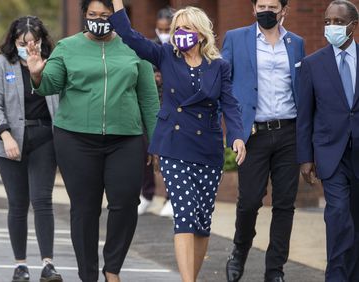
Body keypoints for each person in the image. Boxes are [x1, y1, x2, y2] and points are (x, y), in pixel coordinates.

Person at [109, 2, 246, 281]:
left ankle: (191, 277)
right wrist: (117, 4)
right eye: (177, 28)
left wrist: (237, 138)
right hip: (174, 145)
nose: (180, 32)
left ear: (201, 32)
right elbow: (129, 35)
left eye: (186, 28)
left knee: (201, 222)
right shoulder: (165, 56)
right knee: (183, 215)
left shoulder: (219, 66)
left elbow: (230, 105)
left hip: (207, 149)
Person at [27, 0, 160, 280]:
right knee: (85, 210)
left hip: (126, 138)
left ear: (117, 17)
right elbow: (51, 84)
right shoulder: (67, 47)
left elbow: (148, 98)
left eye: (105, 15)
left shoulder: (135, 47)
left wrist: (156, 141)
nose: (98, 19)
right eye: (93, 14)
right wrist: (38, 73)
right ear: (84, 15)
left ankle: (112, 270)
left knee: (125, 204)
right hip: (75, 139)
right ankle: (88, 275)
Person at [221, 0, 305, 281]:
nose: (266, 10)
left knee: (284, 204)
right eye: (261, 5)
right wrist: (234, 132)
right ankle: (239, 251)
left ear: (284, 10)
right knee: (249, 201)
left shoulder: (296, 43)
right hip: (253, 135)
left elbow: (301, 89)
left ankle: (275, 270)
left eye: (272, 5)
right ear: (253, 9)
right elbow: (224, 86)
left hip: (288, 134)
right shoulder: (235, 38)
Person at [0, 16, 63, 282]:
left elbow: (62, 101)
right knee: (18, 203)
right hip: (10, 139)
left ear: (42, 41)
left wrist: (38, 69)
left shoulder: (52, 62)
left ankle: (48, 264)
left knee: (42, 201)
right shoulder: (0, 64)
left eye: (35, 41)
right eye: (23, 42)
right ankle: (20, 265)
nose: (29, 47)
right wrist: (5, 135)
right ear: (13, 41)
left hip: (44, 137)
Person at [297, 1, 359, 281]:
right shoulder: (312, 64)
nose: (331, 27)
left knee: (355, 220)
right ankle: (335, 276)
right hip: (330, 154)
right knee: (337, 216)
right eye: (327, 21)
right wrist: (306, 158)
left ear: (353, 26)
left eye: (337, 22)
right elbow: (305, 115)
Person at [138, 7, 175, 217]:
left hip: (172, 108)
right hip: (151, 108)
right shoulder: (150, 48)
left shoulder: (181, 49)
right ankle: (147, 195)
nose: (164, 33)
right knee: (146, 153)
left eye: (167, 29)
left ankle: (171, 198)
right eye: (160, 29)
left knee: (170, 154)